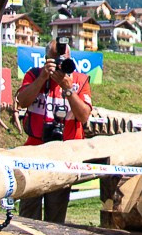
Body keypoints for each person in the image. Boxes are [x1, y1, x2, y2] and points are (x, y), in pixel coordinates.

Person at [15, 39, 93, 222]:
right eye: (54, 60)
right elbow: (22, 101)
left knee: (56, 215)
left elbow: (83, 116)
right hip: (34, 153)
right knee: (28, 213)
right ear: (45, 59)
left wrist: (68, 90)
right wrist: (43, 77)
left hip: (64, 155)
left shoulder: (80, 81)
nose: (59, 65)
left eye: (63, 60)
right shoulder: (34, 75)